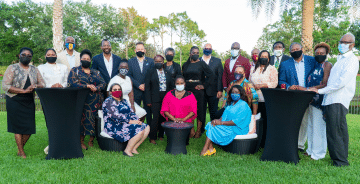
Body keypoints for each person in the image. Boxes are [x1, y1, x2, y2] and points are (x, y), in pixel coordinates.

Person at [309, 33, 358, 166]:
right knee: (337, 130)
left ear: (352, 45)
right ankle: (341, 157)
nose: (342, 44)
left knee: (335, 131)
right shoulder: (340, 59)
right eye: (341, 41)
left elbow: (339, 83)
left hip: (338, 99)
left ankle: (340, 161)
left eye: (346, 42)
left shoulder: (352, 60)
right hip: (331, 99)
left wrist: (319, 91)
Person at [2, 47, 45, 158]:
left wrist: (35, 85)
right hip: (14, 100)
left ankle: (20, 148)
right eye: (23, 54)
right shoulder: (13, 68)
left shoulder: (34, 69)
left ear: (31, 57)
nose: (26, 57)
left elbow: (43, 84)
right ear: (19, 55)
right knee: (17, 127)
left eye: (29, 55)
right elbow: (5, 86)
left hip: (28, 101)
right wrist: (23, 90)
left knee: (29, 127)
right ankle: (21, 152)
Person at [278, 42, 317, 152]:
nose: (295, 51)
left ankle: (308, 146)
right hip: (294, 96)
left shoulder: (312, 61)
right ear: (290, 52)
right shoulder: (285, 64)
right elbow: (281, 80)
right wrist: (289, 87)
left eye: (297, 49)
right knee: (297, 121)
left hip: (310, 94)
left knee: (310, 121)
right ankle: (296, 144)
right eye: (293, 50)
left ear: (302, 49)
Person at [68, 49, 106, 150]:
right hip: (82, 101)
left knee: (94, 120)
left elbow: (103, 83)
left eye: (88, 59)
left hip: (96, 101)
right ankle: (81, 141)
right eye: (84, 58)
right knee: (82, 120)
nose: (86, 60)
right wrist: (87, 86)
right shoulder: (75, 70)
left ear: (90, 61)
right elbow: (72, 83)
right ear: (80, 59)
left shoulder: (96, 72)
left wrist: (96, 88)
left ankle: (91, 140)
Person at [200, 85, 251, 156]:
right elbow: (223, 117)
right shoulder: (231, 105)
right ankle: (210, 148)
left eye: (236, 92)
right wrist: (216, 121)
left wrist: (220, 123)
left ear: (241, 94)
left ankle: (205, 149)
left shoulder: (243, 105)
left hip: (238, 128)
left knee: (211, 127)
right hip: (228, 125)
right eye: (232, 92)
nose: (234, 94)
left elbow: (236, 122)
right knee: (210, 124)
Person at [103, 83, 150, 157]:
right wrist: (130, 121)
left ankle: (134, 148)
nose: (117, 91)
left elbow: (131, 112)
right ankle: (127, 151)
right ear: (111, 92)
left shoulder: (124, 101)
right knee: (140, 130)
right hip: (114, 125)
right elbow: (114, 116)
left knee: (146, 127)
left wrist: (137, 120)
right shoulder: (108, 101)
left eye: (119, 89)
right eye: (115, 90)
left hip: (125, 123)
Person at [303, 42, 332, 160]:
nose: (319, 55)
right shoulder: (314, 64)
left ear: (326, 54)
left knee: (318, 126)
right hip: (309, 98)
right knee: (310, 125)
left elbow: (324, 83)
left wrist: (310, 89)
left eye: (322, 53)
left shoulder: (327, 65)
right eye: (317, 53)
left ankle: (318, 153)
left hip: (320, 99)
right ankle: (310, 149)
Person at [182, 46, 215, 138]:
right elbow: (182, 77)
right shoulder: (185, 64)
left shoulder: (202, 64)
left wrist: (204, 86)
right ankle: (191, 130)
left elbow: (211, 75)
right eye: (194, 52)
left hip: (198, 90)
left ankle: (198, 131)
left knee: (200, 110)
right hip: (188, 90)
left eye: (197, 53)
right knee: (189, 110)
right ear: (190, 53)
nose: (195, 54)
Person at [249, 50, 278, 148]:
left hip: (266, 99)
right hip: (254, 100)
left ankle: (265, 143)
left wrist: (262, 85)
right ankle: (255, 140)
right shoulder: (253, 68)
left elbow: (274, 83)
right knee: (255, 120)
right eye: (262, 56)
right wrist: (252, 86)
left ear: (269, 59)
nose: (263, 58)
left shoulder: (272, 69)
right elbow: (249, 82)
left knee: (265, 121)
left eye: (266, 56)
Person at [145, 55, 174, 144]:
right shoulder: (150, 72)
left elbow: (171, 86)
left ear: (163, 62)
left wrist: (171, 99)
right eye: (156, 62)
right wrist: (148, 100)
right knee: (156, 117)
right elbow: (147, 88)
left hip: (166, 98)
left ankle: (161, 135)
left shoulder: (167, 72)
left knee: (163, 117)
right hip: (155, 98)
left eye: (160, 61)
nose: (158, 63)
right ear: (154, 62)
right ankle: (152, 137)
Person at [127, 42, 154, 124]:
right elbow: (129, 75)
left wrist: (146, 85)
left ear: (144, 50)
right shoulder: (130, 62)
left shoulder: (150, 61)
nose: (140, 51)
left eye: (141, 49)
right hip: (135, 90)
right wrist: (138, 85)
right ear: (135, 50)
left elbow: (153, 74)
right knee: (135, 111)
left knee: (148, 112)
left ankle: (149, 129)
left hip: (147, 90)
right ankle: (136, 129)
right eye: (138, 49)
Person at [199, 43, 223, 125]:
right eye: (206, 48)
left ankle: (214, 127)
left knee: (213, 111)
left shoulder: (217, 61)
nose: (207, 50)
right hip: (201, 90)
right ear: (203, 49)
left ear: (212, 50)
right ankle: (200, 129)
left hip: (213, 91)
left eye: (209, 48)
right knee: (201, 111)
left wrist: (220, 90)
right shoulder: (198, 60)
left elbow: (220, 76)